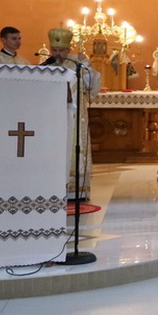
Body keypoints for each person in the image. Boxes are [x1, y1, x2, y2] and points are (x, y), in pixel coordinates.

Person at [44, 28, 102, 201]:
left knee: (75, 145)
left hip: (76, 115)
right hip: (54, 117)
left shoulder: (78, 63)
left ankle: (76, 190)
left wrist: (88, 66)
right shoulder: (47, 66)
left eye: (61, 50)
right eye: (55, 50)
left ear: (68, 50)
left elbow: (92, 84)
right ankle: (53, 187)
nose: (58, 54)